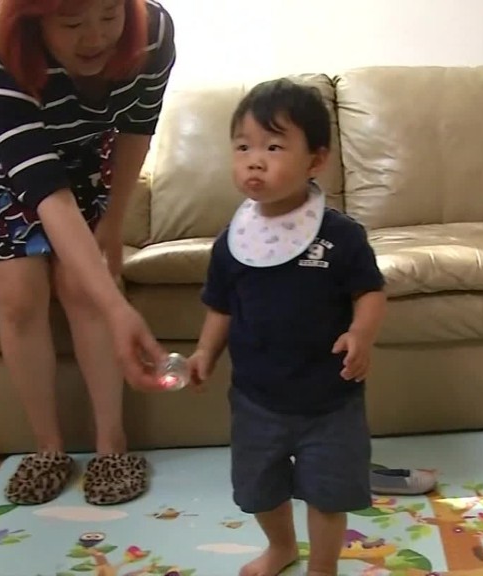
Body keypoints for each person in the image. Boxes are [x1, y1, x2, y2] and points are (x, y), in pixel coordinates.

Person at [0, 0, 176, 507]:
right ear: (34, 18)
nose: (95, 38)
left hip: (84, 146)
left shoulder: (153, 31)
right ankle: (48, 448)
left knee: (82, 285)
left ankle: (113, 445)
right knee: (22, 293)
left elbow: (137, 126)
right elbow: (45, 188)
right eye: (72, 24)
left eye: (110, 16)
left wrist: (112, 224)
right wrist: (120, 309)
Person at [186, 79, 388, 576]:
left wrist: (362, 333)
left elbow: (371, 291)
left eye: (274, 147)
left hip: (331, 399)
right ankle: (281, 547)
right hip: (257, 400)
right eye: (243, 147)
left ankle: (323, 567)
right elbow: (220, 308)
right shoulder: (231, 242)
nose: (255, 159)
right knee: (259, 487)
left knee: (327, 492)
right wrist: (203, 356)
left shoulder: (340, 236)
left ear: (315, 161)